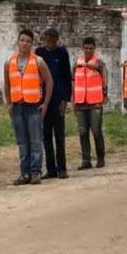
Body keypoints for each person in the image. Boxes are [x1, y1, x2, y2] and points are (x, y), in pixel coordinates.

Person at [5, 29, 55, 184]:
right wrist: (9, 103)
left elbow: (49, 81)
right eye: (22, 40)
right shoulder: (9, 62)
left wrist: (45, 104)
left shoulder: (38, 61)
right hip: (17, 106)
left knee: (35, 140)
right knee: (22, 142)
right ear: (18, 42)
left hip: (33, 106)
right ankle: (24, 173)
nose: (24, 44)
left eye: (28, 41)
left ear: (32, 44)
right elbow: (7, 84)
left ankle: (35, 172)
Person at [37, 28, 72, 180]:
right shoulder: (39, 53)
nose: (50, 41)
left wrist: (65, 99)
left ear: (57, 39)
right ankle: (51, 169)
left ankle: (62, 168)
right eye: (47, 38)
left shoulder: (62, 53)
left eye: (53, 38)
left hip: (58, 100)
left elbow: (67, 77)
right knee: (45, 136)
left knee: (59, 136)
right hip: (43, 100)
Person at [73, 36, 108, 169]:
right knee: (82, 132)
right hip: (80, 102)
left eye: (90, 48)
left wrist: (105, 93)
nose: (88, 50)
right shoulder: (77, 62)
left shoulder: (98, 61)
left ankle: (100, 158)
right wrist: (74, 100)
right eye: (86, 48)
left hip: (95, 103)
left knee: (96, 131)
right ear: (82, 48)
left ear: (94, 48)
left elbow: (102, 72)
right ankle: (86, 160)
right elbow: (73, 81)